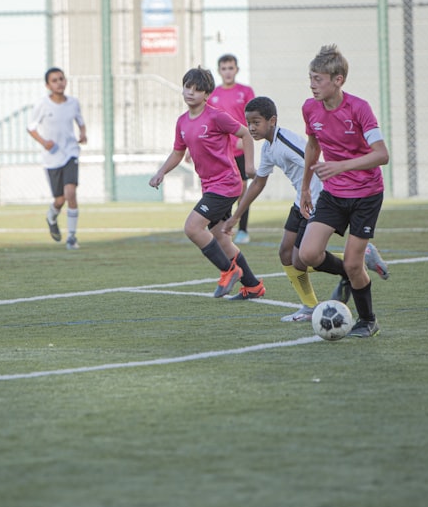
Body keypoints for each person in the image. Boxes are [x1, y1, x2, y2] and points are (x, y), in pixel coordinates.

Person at [224, 96, 390, 322]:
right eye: (249, 123)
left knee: (301, 259)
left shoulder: (286, 141)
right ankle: (310, 305)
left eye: (256, 122)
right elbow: (258, 183)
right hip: (301, 199)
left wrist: (310, 192)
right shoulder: (268, 149)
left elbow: (313, 161)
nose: (251, 128)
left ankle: (359, 260)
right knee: (285, 252)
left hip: (317, 198)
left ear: (272, 121)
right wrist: (235, 216)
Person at [149, 66, 265, 301]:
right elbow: (177, 153)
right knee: (221, 237)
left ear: (206, 94)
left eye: (197, 89)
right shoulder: (182, 122)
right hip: (210, 186)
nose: (190, 92)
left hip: (227, 183)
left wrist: (250, 166)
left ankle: (229, 270)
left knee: (192, 228)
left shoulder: (216, 116)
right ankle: (253, 286)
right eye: (187, 87)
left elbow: (245, 133)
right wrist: (161, 172)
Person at [297, 44, 389, 338]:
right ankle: (350, 273)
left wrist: (340, 167)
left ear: (338, 80)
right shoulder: (310, 108)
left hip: (366, 194)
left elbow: (381, 154)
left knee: (353, 262)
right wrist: (305, 189)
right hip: (333, 194)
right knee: (308, 254)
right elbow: (313, 145)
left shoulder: (359, 108)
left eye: (318, 79)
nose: (312, 85)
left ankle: (368, 320)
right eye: (310, 78)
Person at [27, 67, 87, 250]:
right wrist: (44, 142)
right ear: (48, 85)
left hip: (70, 153)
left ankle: (71, 237)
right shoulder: (42, 105)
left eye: (61, 79)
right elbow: (31, 127)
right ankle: (51, 216)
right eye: (54, 80)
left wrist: (83, 134)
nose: (59, 82)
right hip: (52, 157)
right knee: (60, 200)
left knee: (71, 193)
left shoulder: (73, 103)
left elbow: (80, 121)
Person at [210, 54, 256, 245]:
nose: (228, 72)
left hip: (239, 149)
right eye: (224, 68)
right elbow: (208, 121)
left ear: (236, 69)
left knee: (242, 189)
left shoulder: (245, 92)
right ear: (219, 71)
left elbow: (254, 118)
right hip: (221, 151)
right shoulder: (213, 95)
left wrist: (245, 138)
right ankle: (224, 226)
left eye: (231, 68)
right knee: (224, 188)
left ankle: (243, 230)